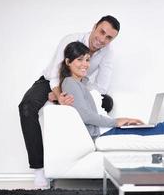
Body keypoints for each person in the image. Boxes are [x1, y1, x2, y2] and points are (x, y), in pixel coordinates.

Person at [18, 15, 120, 188]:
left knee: (107, 102)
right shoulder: (71, 39)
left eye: (109, 37)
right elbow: (53, 74)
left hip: (76, 82)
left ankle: (91, 141)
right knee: (26, 107)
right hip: (52, 80)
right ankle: (39, 169)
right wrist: (58, 95)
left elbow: (101, 88)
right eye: (101, 32)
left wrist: (80, 92)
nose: (102, 39)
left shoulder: (108, 53)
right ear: (94, 26)